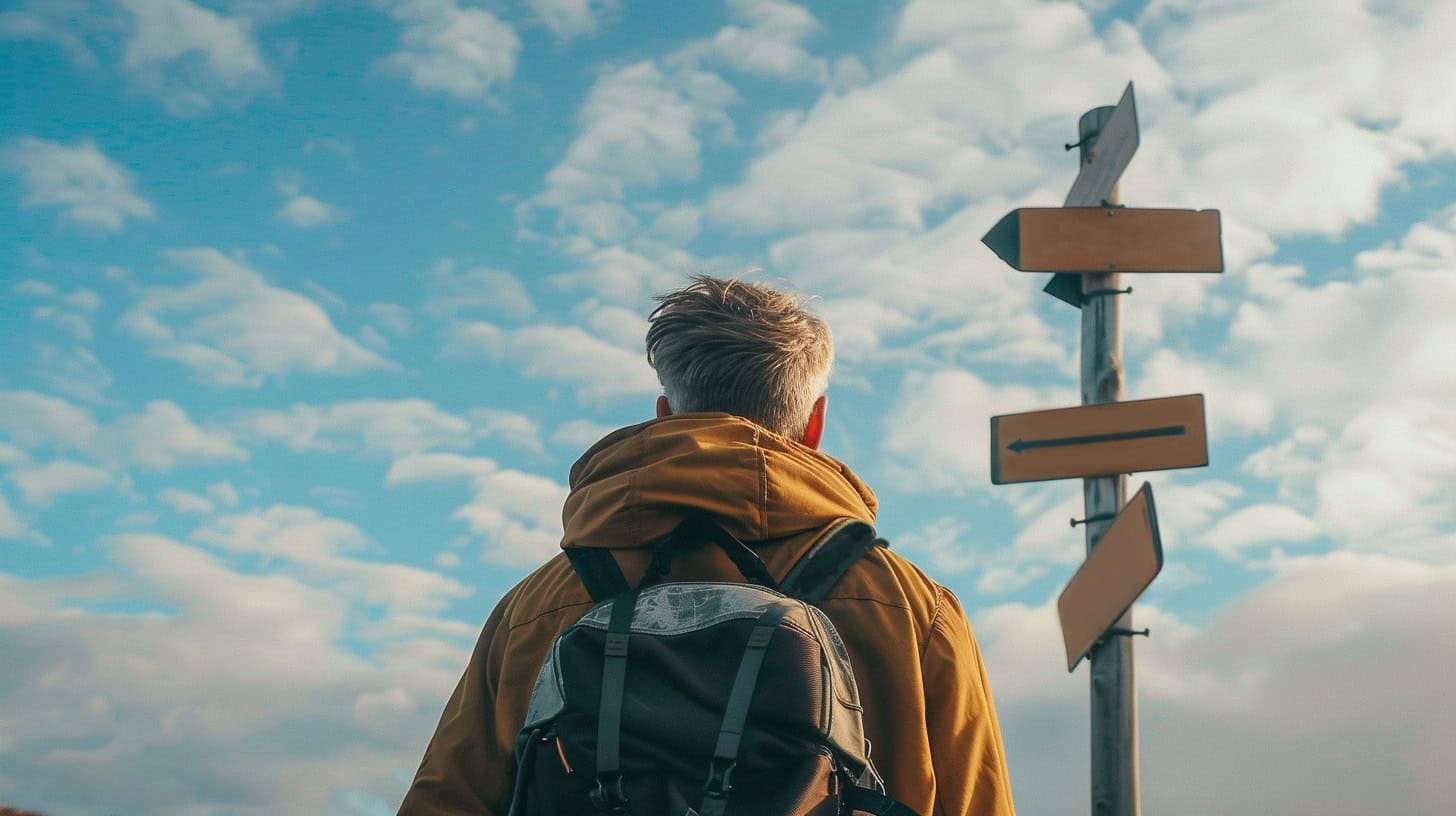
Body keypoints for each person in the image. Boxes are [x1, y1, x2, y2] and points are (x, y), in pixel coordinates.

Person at [398, 274, 1016, 816]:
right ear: (814, 424)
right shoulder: (912, 608)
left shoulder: (534, 607)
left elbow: (445, 801)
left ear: (667, 415)